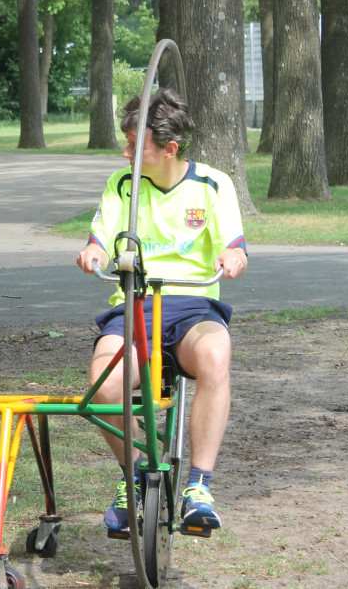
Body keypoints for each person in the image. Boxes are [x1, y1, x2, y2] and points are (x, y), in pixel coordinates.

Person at [76, 88, 246, 536]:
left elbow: (235, 246)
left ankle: (198, 486)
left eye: (136, 146)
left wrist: (232, 260)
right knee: (103, 386)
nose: (125, 151)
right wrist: (93, 251)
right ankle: (136, 472)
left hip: (192, 306)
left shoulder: (213, 184)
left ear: (170, 149)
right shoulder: (123, 184)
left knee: (215, 356)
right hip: (135, 306)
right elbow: (100, 235)